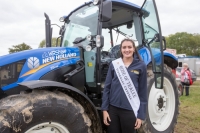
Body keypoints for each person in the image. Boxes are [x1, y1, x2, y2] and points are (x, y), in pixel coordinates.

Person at [101, 38, 147, 133]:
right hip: (113, 110)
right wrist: (105, 109)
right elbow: (107, 88)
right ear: (121, 50)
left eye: (129, 47)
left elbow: (143, 93)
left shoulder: (141, 66)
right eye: (124, 47)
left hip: (130, 110)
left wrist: (140, 116)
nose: (127, 50)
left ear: (134, 49)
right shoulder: (114, 65)